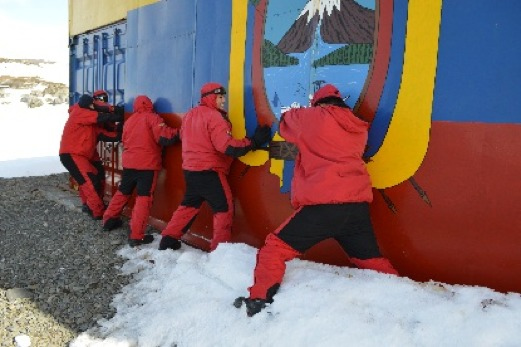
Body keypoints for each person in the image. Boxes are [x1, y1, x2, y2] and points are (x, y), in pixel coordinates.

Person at [235, 84, 399, 317]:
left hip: (324, 207)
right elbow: (324, 149)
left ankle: (258, 299)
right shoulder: (356, 126)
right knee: (369, 260)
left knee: (274, 249)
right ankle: (403, 295)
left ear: (318, 103)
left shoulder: (313, 117)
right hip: (356, 207)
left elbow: (286, 121)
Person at [158, 82, 271, 252]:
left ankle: (168, 239)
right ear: (210, 97)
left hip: (191, 171)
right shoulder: (214, 117)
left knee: (188, 206)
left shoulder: (190, 115)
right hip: (210, 172)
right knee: (224, 209)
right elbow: (227, 147)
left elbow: (183, 136)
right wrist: (254, 141)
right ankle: (220, 252)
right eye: (220, 97)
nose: (223, 101)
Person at [102, 95, 180, 247]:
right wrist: (180, 132)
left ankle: (109, 219)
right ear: (149, 104)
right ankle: (137, 235)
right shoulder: (153, 118)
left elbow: (124, 141)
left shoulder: (130, 120)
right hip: (147, 165)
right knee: (144, 199)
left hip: (129, 163)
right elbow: (164, 137)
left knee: (123, 191)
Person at [59, 94, 124, 220]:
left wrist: (123, 130)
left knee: (96, 177)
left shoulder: (91, 124)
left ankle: (89, 205)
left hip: (83, 154)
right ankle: (97, 211)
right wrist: (118, 113)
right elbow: (101, 116)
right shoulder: (80, 112)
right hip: (72, 154)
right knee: (89, 181)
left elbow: (109, 135)